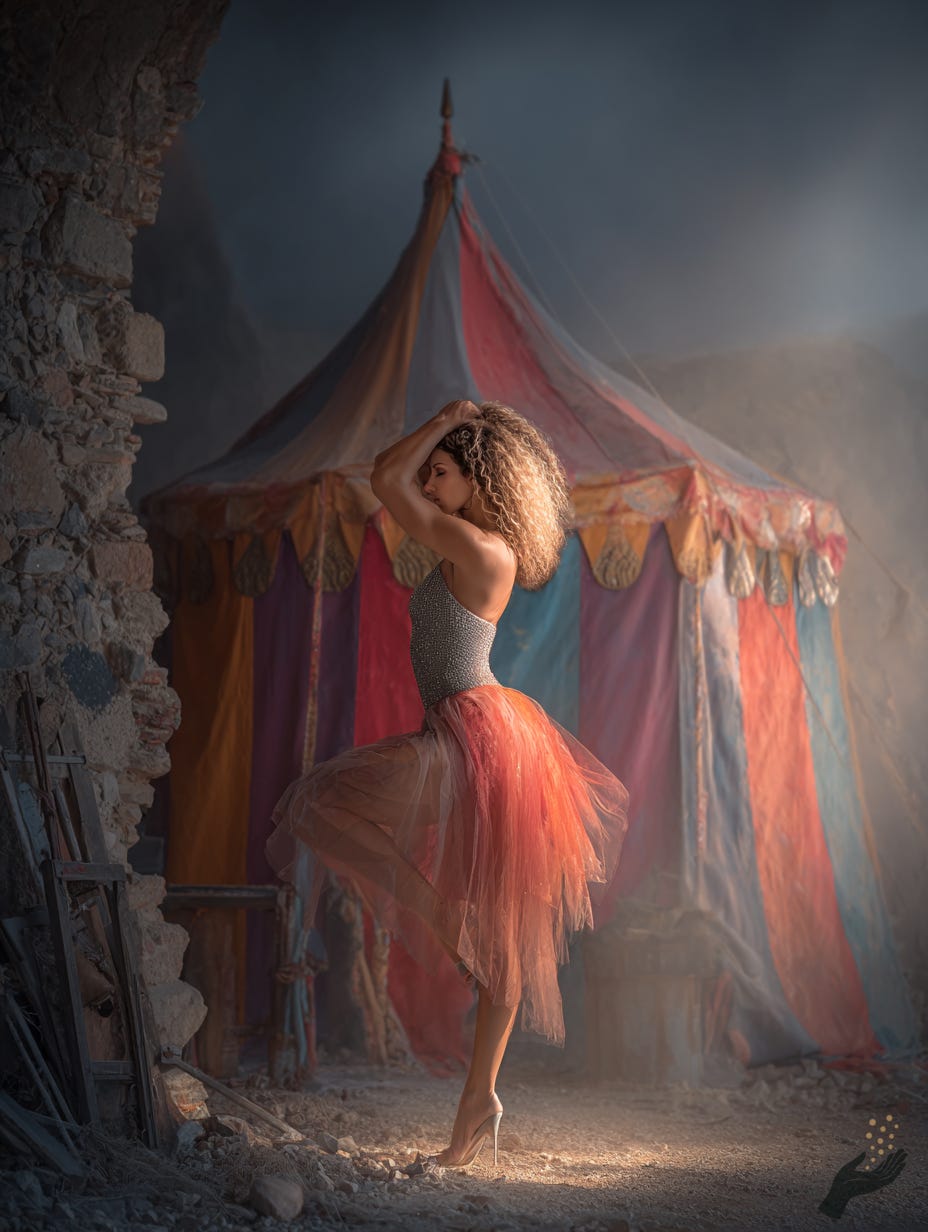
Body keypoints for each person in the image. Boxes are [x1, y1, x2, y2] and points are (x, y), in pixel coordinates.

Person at [266, 399, 629, 1167]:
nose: (427, 482)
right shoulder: (467, 542)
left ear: (477, 477)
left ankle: (475, 1086)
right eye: (431, 471)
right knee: (333, 813)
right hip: (468, 730)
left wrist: (447, 417)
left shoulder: (476, 547)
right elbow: (395, 477)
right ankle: (479, 1094)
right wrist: (450, 435)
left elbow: (382, 477)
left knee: (498, 923)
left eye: (442, 471)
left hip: (477, 733)